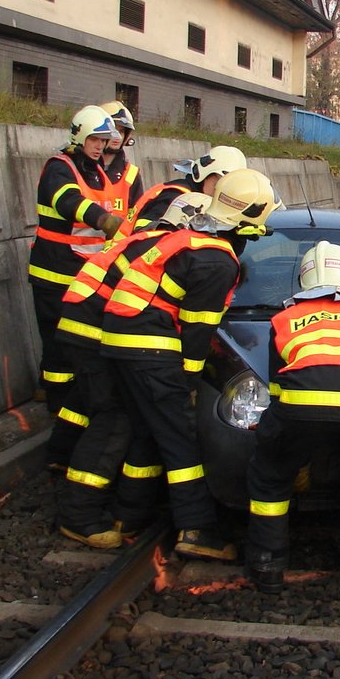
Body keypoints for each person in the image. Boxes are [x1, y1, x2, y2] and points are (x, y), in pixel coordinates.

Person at [100, 169, 280, 560]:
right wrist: (190, 382)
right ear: (248, 219)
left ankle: (127, 516)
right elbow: (197, 334)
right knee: (180, 439)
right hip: (150, 347)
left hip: (120, 341)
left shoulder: (190, 241)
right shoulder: (217, 262)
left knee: (148, 432)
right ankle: (196, 529)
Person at [244, 241, 340, 592]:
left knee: (270, 476)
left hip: (300, 404)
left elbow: (277, 387)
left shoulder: (284, 318)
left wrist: (281, 442)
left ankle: (267, 564)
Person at [53, 202, 191, 548]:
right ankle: (79, 515)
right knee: (113, 417)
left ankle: (125, 510)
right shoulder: (166, 251)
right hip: (94, 330)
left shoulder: (147, 241)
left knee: (122, 414)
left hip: (86, 322)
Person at [30, 105, 126, 470]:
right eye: (95, 139)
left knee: (75, 350)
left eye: (104, 140)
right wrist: (103, 220)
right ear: (79, 136)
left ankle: (69, 413)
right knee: (58, 354)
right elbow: (68, 202)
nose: (101, 146)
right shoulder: (60, 167)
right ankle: (56, 408)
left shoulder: (96, 170)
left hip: (82, 277)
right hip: (54, 275)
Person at [118, 145, 247, 237]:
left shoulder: (200, 199)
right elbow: (144, 233)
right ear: (204, 175)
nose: (221, 192)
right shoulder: (176, 196)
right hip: (121, 264)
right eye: (219, 184)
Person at [98, 101, 144, 219]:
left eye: (122, 131)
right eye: (113, 130)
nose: (118, 136)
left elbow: (136, 217)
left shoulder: (132, 174)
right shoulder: (83, 168)